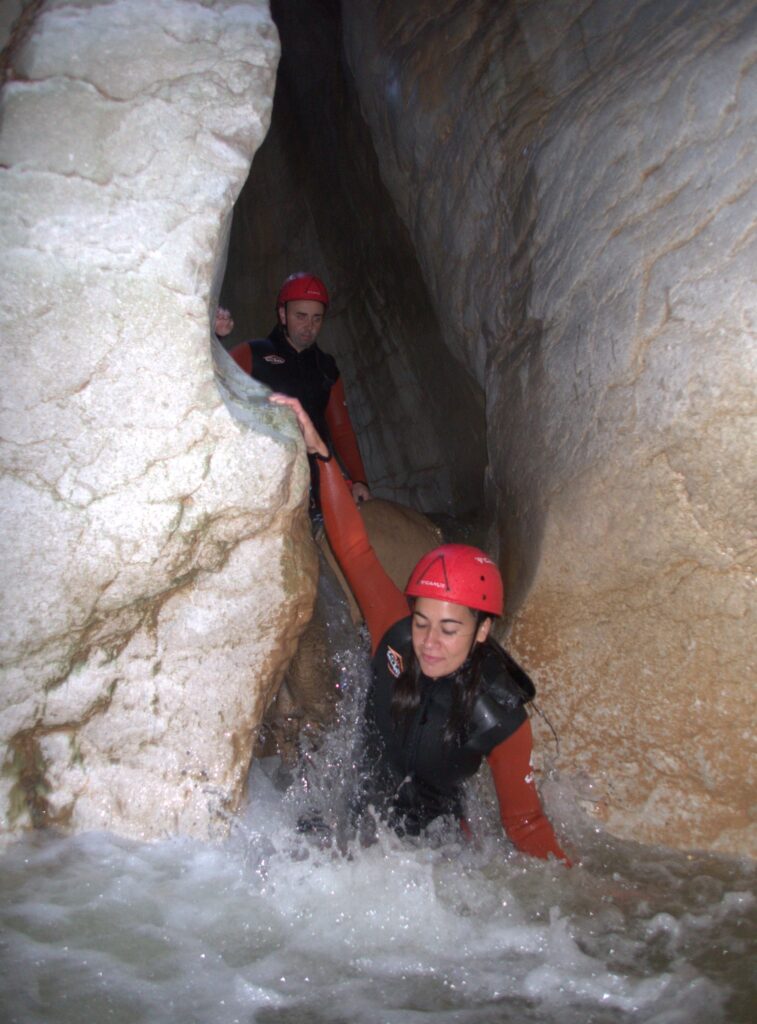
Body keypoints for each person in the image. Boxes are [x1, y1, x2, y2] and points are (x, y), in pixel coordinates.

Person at [270, 393, 571, 865]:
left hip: (429, 862)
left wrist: (581, 888)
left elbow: (526, 824)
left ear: (482, 631)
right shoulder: (396, 635)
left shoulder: (498, 715)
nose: (429, 642)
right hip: (355, 820)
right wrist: (321, 454)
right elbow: (353, 547)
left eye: (450, 629)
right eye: (423, 621)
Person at [228, 274, 371, 509]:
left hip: (315, 481)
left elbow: (340, 429)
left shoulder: (326, 367)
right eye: (301, 316)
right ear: (283, 314)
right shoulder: (252, 354)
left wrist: (359, 480)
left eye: (317, 318)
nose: (309, 326)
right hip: (263, 482)